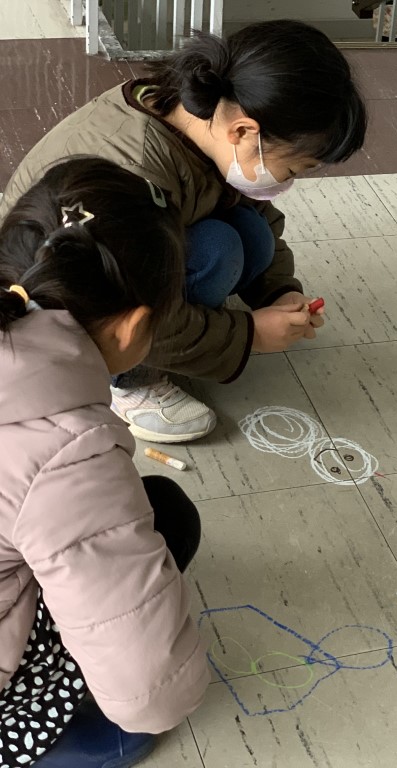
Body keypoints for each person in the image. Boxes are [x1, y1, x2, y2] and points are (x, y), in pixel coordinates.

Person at [0, 20, 368, 445]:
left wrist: (277, 291)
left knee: (252, 232)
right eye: (294, 169)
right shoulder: (137, 167)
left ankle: (182, 332)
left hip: (122, 250)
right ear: (244, 131)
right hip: (68, 297)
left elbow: (254, 206)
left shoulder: (201, 115)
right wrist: (249, 335)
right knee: (218, 251)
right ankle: (127, 379)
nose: (289, 181)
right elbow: (123, 304)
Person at [0, 158, 209, 767]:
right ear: (135, 326)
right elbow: (151, 692)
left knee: (147, 515)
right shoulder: (66, 451)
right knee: (168, 519)